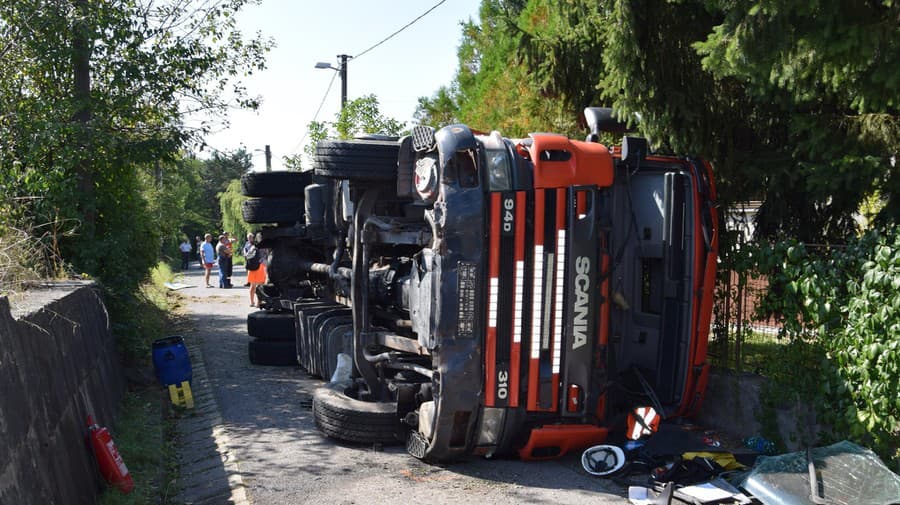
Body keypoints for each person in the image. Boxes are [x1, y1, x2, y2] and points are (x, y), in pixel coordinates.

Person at [245, 238, 267, 307]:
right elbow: (266, 257)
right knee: (260, 286)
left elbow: (246, 256)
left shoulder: (251, 247)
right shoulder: (263, 249)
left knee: (252, 286)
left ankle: (252, 302)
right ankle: (258, 303)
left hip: (251, 268)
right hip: (260, 267)